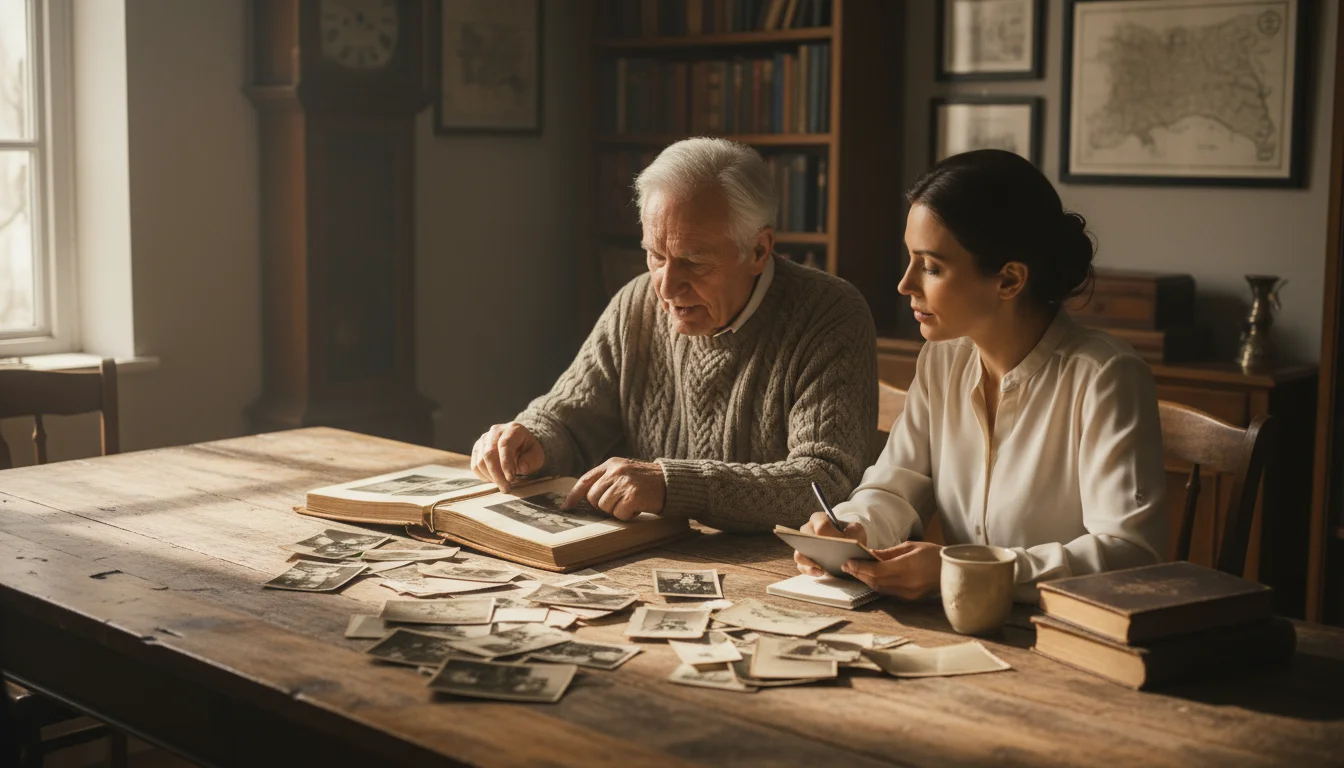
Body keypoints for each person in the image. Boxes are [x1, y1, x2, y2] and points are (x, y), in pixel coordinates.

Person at [794, 149, 1167, 602]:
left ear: (1009, 280)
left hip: (1062, 639)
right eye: (910, 259)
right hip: (958, 627)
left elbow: (1129, 554)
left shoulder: (1106, 378)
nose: (905, 283)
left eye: (931, 266)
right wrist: (856, 527)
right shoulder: (942, 361)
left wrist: (965, 570)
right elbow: (897, 486)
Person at [471, 137, 877, 532]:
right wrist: (530, 439)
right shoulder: (637, 304)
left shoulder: (829, 315)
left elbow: (823, 481)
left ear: (758, 250)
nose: (665, 288)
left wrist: (671, 484)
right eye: (656, 255)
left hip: (780, 571)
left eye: (694, 262)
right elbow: (570, 421)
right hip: (642, 559)